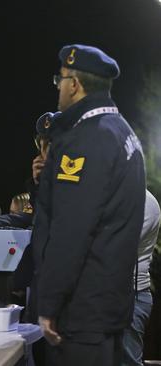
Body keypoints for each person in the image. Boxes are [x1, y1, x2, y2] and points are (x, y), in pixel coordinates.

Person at [30, 44, 146, 365]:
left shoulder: (86, 139)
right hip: (105, 305)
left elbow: (71, 231)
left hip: (79, 313)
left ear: (75, 85)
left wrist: (49, 304)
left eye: (60, 80)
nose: (58, 87)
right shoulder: (121, 131)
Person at [122, 190, 159, 366]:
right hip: (110, 294)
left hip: (130, 297)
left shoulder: (145, 202)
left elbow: (114, 247)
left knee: (127, 362)